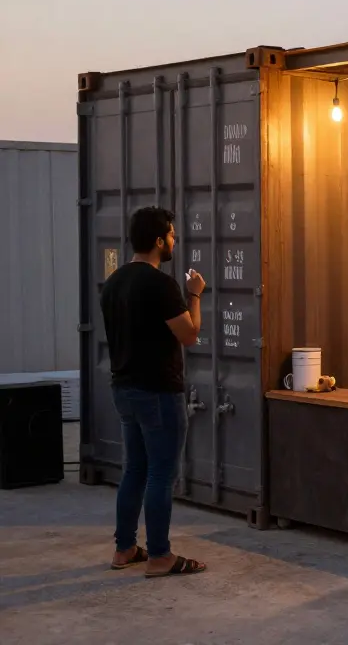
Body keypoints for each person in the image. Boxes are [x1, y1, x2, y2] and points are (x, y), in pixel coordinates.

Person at [100, 206, 207, 578]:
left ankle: (125, 548)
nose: (175, 240)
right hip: (158, 392)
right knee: (162, 474)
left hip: (124, 389)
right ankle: (160, 555)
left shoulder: (113, 283)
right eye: (172, 235)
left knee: (135, 470)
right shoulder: (160, 284)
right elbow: (190, 334)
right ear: (159, 241)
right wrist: (195, 294)